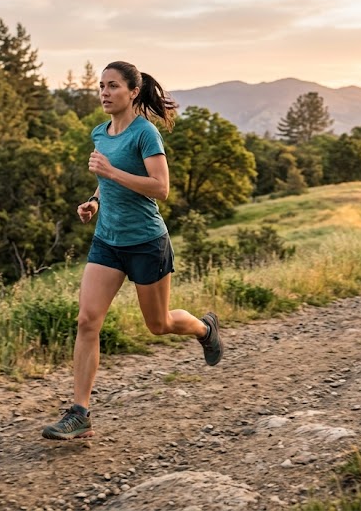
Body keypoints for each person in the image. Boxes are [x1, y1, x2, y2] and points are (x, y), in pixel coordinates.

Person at [42, 61, 223, 441]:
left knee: (159, 325)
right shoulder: (100, 132)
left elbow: (160, 188)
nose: (105, 93)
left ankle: (205, 329)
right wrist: (93, 201)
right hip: (107, 241)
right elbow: (106, 186)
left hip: (146, 243)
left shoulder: (146, 134)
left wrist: (110, 174)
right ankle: (80, 413)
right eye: (101, 87)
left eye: (113, 86)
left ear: (133, 92)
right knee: (87, 321)